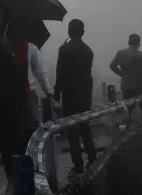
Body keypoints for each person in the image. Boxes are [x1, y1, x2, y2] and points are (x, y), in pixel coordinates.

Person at [0, 9, 35, 188]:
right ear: (6, 36)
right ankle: (13, 181)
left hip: (16, 110)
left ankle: (16, 182)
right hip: (5, 109)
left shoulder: (17, 54)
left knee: (18, 147)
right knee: (10, 148)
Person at [54, 19, 96, 176]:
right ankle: (93, 159)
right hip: (85, 93)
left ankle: (78, 165)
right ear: (82, 32)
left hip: (70, 94)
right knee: (85, 126)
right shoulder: (88, 51)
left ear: (69, 31)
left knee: (72, 130)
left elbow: (61, 74)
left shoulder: (64, 49)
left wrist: (57, 94)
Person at [110, 34, 142, 125]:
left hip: (126, 86)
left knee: (127, 109)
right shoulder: (141, 56)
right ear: (139, 44)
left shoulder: (120, 53)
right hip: (139, 87)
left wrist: (123, 75)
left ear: (128, 42)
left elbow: (112, 66)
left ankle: (124, 128)